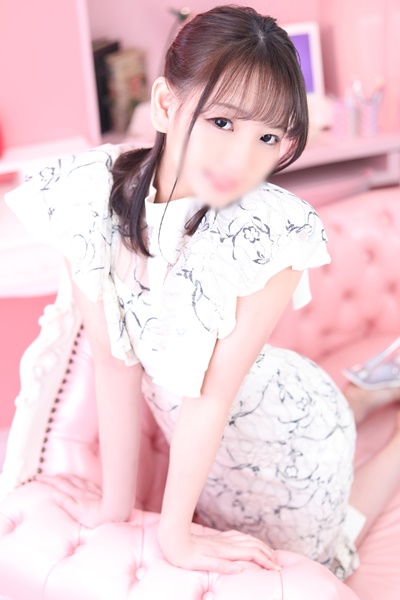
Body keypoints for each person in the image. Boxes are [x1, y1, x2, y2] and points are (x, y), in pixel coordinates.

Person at [4, 4, 400, 584]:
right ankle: (364, 392)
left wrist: (175, 534)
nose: (243, 158)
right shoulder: (88, 193)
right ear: (165, 105)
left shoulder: (275, 230)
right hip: (202, 440)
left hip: (290, 433)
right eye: (222, 122)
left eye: (268, 136)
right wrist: (115, 510)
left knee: (329, 557)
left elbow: (212, 394)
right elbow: (114, 364)